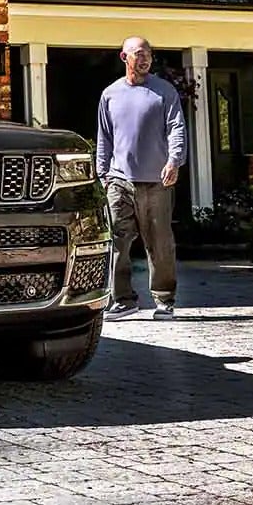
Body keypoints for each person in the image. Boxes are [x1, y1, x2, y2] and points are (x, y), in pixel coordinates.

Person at [95, 36, 187, 320]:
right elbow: (104, 137)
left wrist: (175, 160)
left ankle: (164, 299)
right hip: (119, 180)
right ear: (124, 58)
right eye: (139, 53)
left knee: (159, 242)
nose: (145, 58)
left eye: (148, 53)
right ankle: (123, 300)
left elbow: (177, 129)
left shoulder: (164, 92)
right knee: (117, 242)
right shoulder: (110, 94)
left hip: (156, 182)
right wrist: (102, 174)